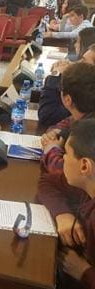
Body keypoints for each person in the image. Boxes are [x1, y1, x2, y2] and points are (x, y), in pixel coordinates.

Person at [37, 119, 95, 288]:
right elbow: (47, 182)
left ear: (84, 166)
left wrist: (85, 272)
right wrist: (63, 214)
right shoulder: (86, 186)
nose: (62, 158)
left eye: (66, 154)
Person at [40, 62, 95, 174]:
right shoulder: (83, 114)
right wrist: (55, 133)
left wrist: (51, 150)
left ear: (67, 100)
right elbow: (66, 123)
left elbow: (68, 173)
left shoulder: (87, 131)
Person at [39, 28, 95, 127]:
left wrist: (55, 75)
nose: (74, 45)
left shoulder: (86, 93)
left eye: (84, 61)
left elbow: (48, 116)